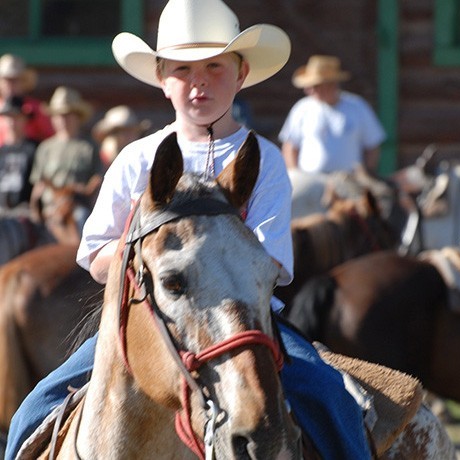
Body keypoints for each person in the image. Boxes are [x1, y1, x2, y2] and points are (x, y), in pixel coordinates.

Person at [6, 1, 371, 459]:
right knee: (32, 408)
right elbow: (96, 257)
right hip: (144, 322)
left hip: (246, 324)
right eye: (182, 69)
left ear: (240, 75)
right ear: (162, 79)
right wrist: (140, 247)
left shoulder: (264, 159)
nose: (199, 81)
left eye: (215, 67)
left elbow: (274, 263)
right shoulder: (138, 158)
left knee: (329, 394)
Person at [279, 54, 386, 175]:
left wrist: (366, 175)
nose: (309, 90)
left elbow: (372, 146)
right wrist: (294, 174)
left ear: (332, 84)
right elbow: (290, 147)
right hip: (310, 179)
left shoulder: (357, 106)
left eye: (316, 85)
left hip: (348, 179)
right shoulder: (302, 108)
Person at [28, 86, 103, 230]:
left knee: (81, 219)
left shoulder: (89, 146)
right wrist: (34, 210)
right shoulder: (45, 148)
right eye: (58, 115)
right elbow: (39, 184)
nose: (62, 119)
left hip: (77, 208)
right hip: (49, 208)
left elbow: (97, 181)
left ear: (77, 116)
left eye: (67, 114)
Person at [0, 54, 54, 146]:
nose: (11, 84)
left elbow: (50, 138)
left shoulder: (36, 108)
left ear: (22, 81)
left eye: (15, 80)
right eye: (7, 79)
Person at [0, 96, 37, 212]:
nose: (12, 122)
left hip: (24, 210)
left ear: (25, 119)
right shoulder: (2, 151)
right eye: (9, 117)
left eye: (16, 117)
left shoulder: (33, 148)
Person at [92, 104, 152, 170]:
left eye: (131, 130)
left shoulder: (144, 155)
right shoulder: (98, 158)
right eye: (121, 131)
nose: (128, 135)